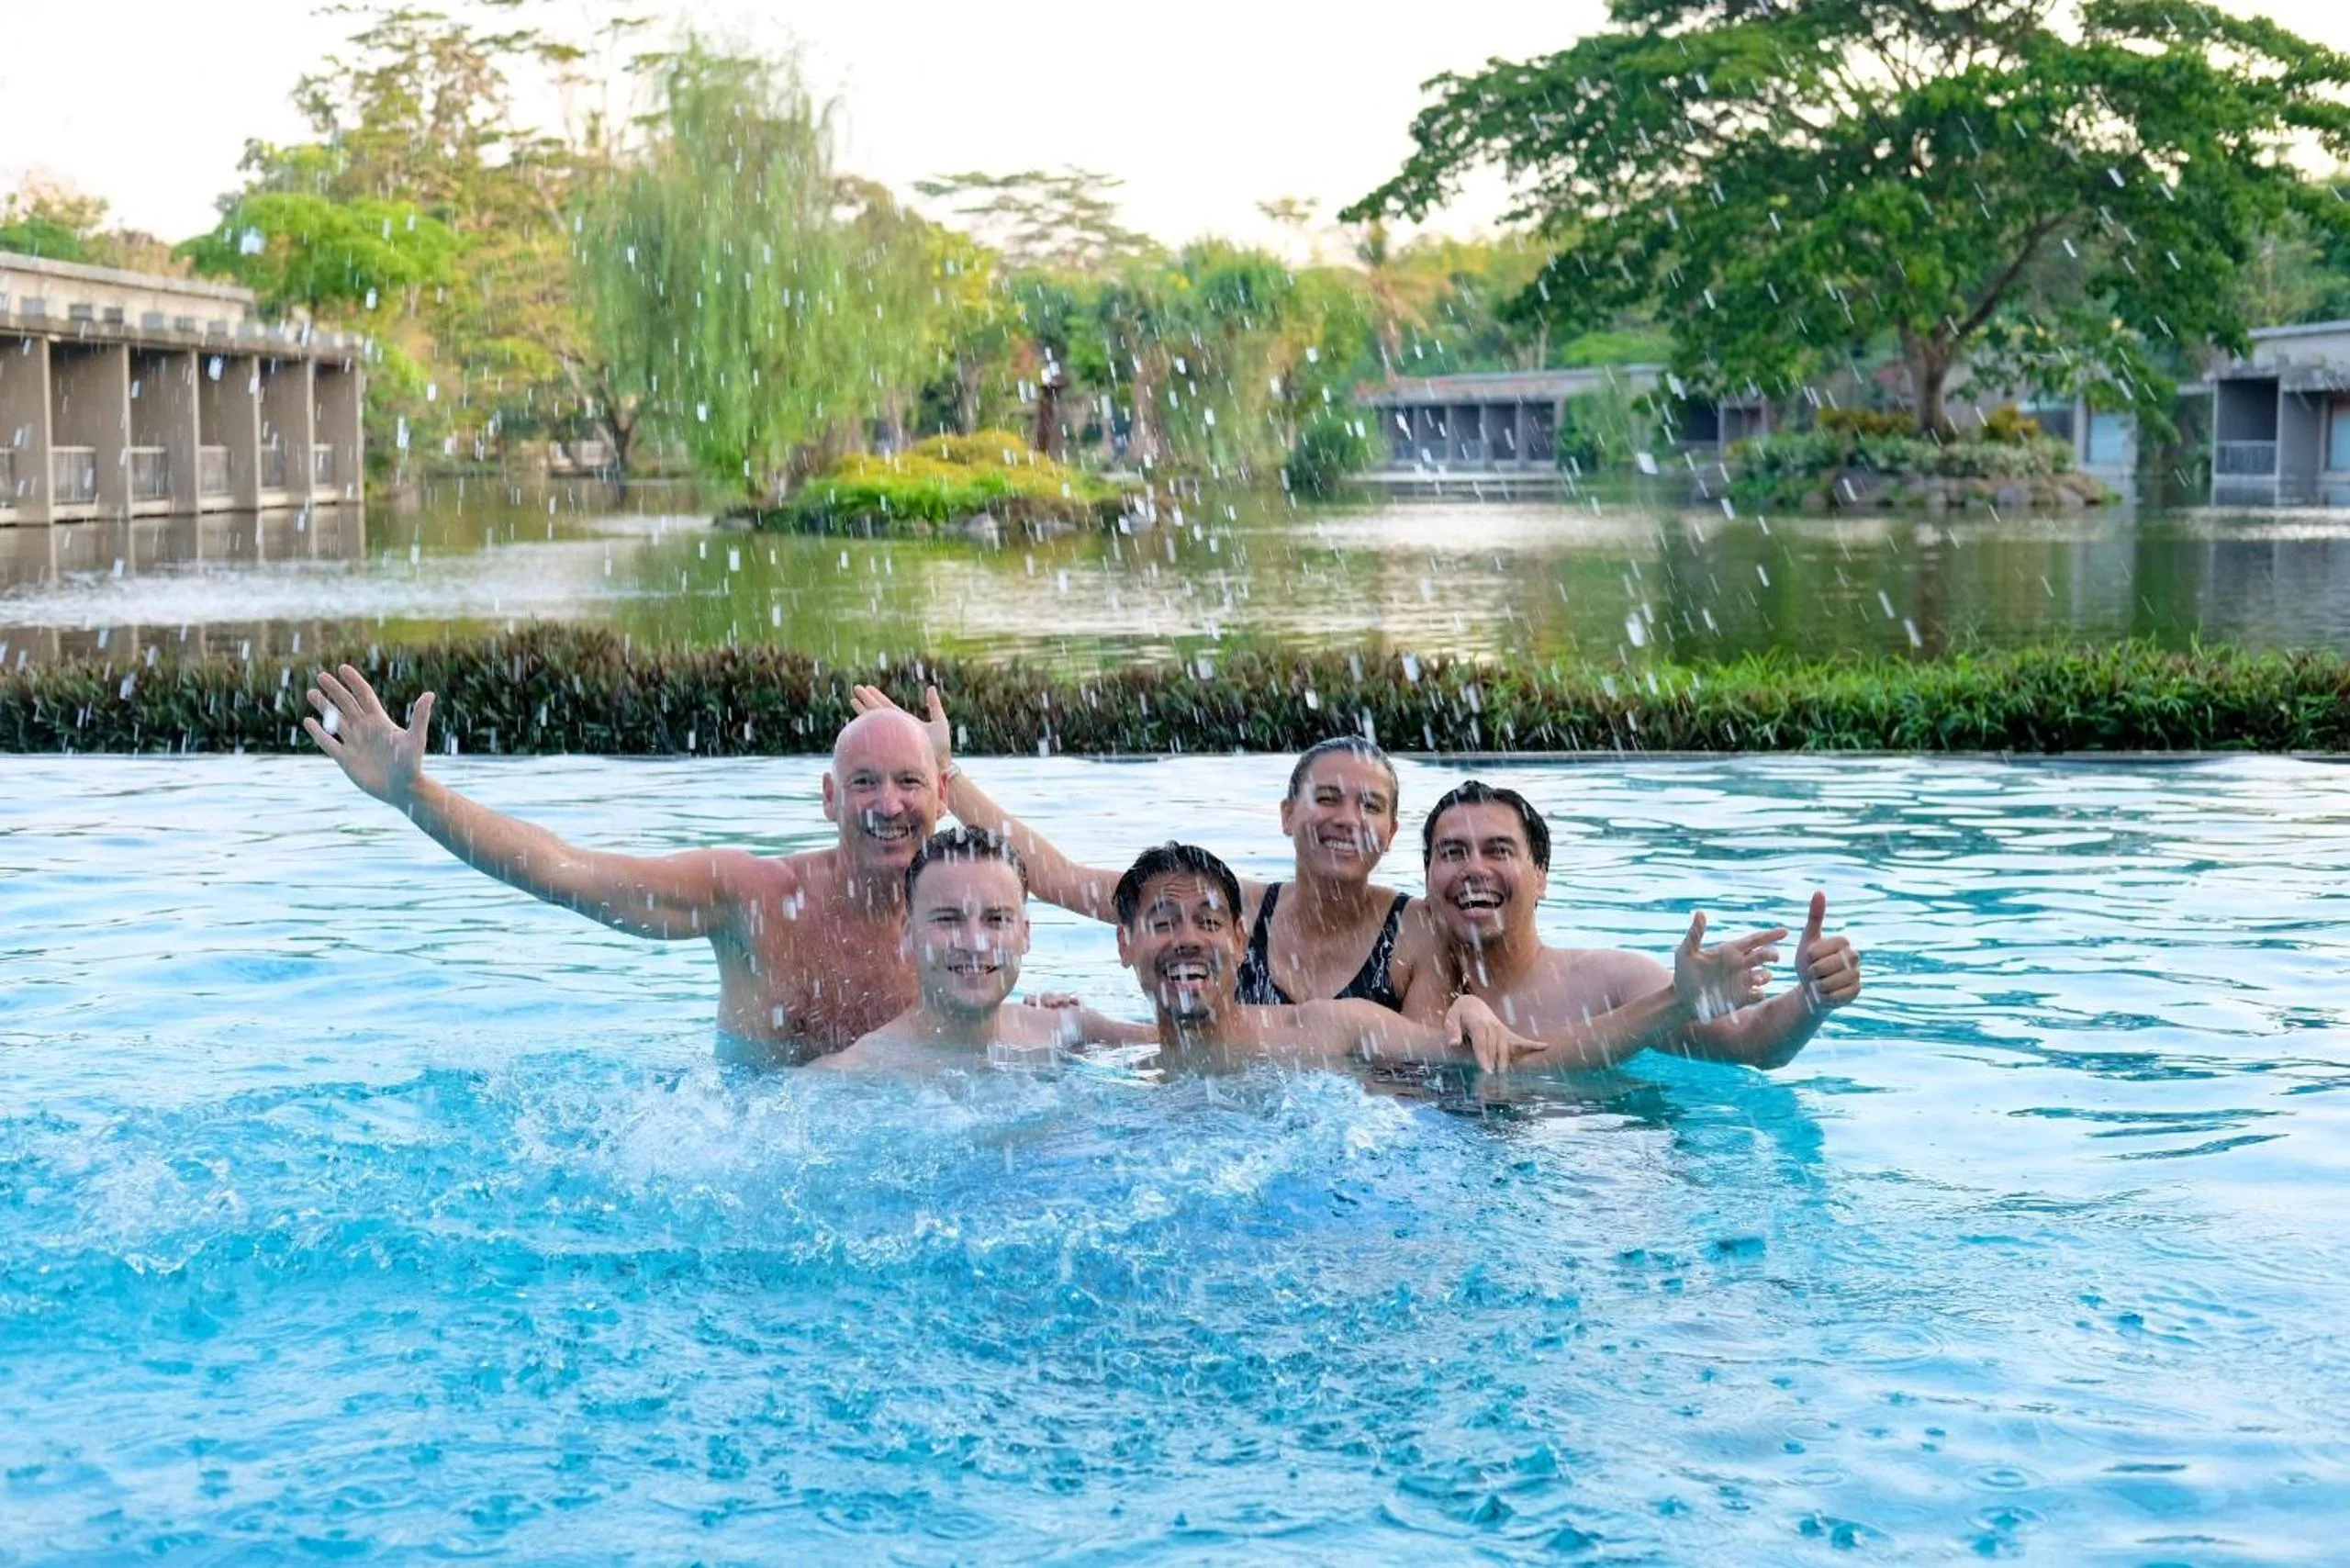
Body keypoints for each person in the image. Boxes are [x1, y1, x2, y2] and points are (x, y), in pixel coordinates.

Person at [301, 664, 942, 1063]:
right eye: (864, 783)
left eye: (910, 782)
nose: (888, 804)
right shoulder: (755, 896)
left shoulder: (969, 920)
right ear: (830, 799)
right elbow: (565, 870)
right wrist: (416, 795)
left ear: (942, 795)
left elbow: (1045, 888)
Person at [851, 685, 1445, 1011]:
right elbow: (1060, 877)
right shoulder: (1212, 911)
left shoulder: (1417, 932)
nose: (1346, 819)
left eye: (1369, 806)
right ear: (1288, 814)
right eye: (1328, 799)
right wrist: (945, 775)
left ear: (1393, 831)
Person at [1405, 780, 1863, 1071]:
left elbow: (1750, 1044)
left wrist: (1812, 998)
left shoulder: (1610, 981)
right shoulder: (1405, 982)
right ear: (1427, 880)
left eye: (1499, 851)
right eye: (1452, 853)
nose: (1473, 869)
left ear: (1541, 876)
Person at [1111, 842, 1677, 1077]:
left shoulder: (1330, 1031)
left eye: (1208, 922)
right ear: (1125, 946)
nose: (1187, 940)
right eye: (1163, 924)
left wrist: (1678, 1003)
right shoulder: (1113, 1065)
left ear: (1239, 939)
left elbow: (1520, 1066)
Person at [812, 827, 1089, 1076]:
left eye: (996, 920)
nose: (974, 943)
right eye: (948, 919)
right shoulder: (848, 1075)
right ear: (909, 934)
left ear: (1025, 934)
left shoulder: (1073, 1033)